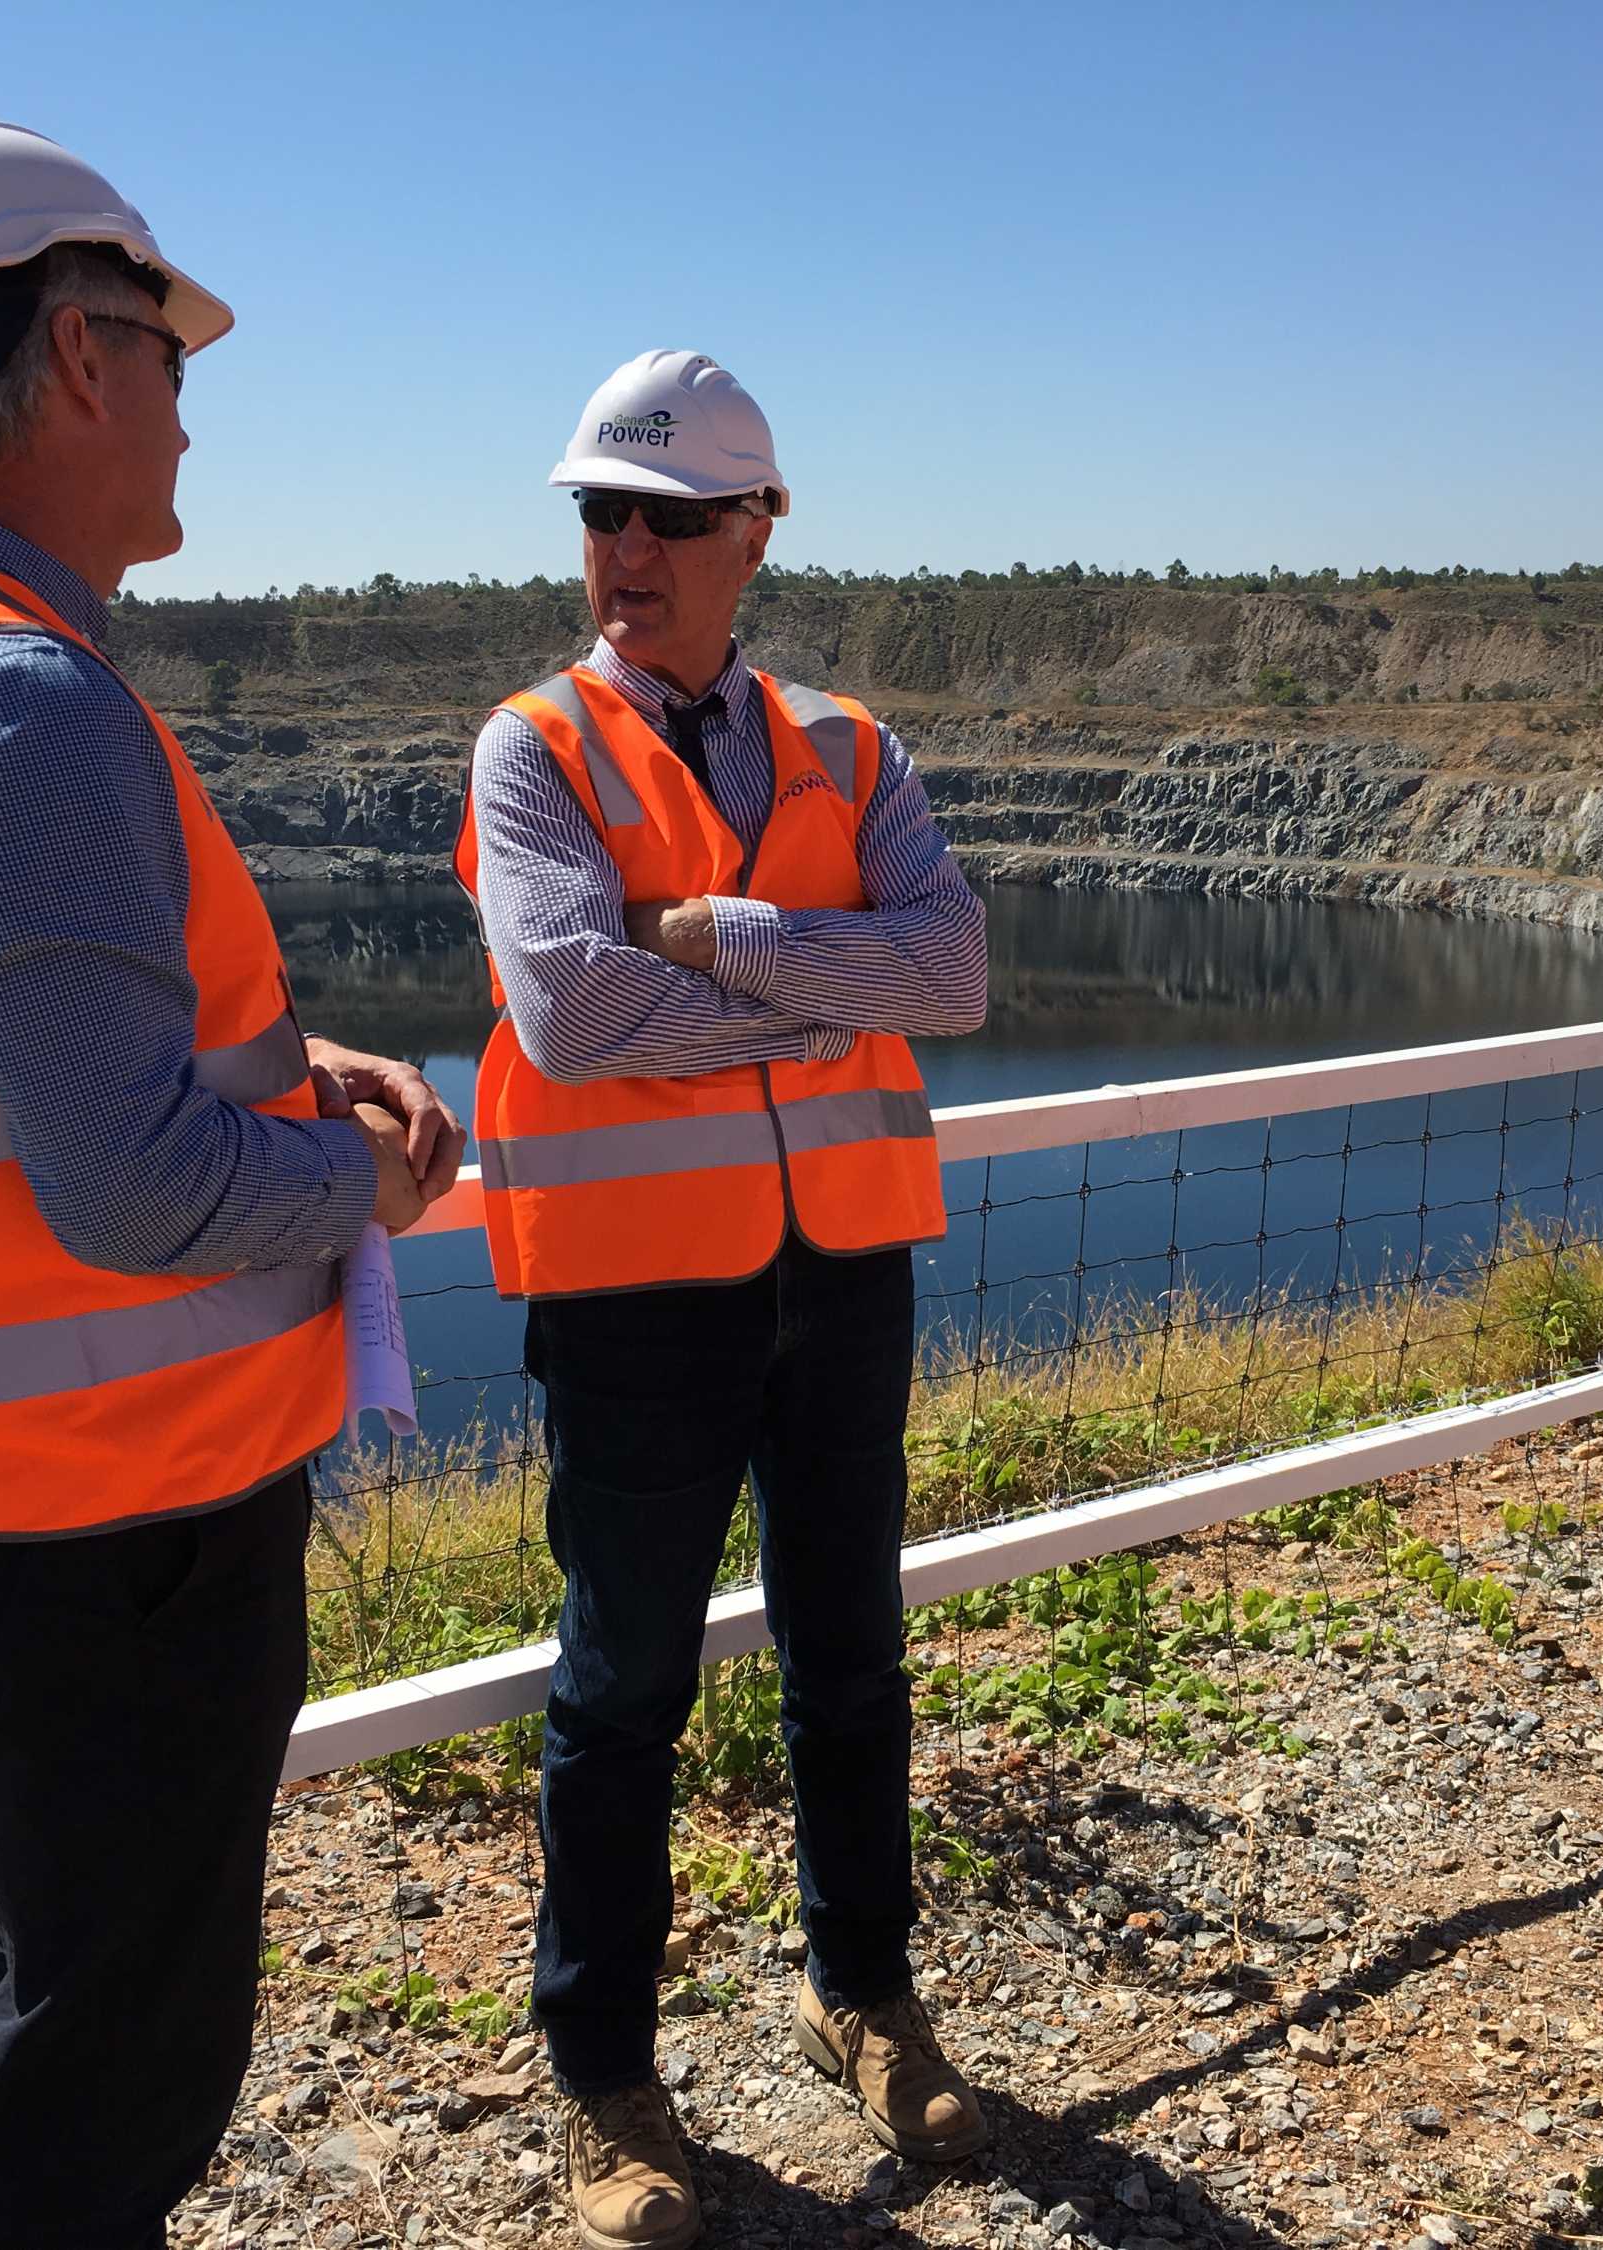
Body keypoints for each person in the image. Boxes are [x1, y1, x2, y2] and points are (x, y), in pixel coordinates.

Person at [0, 116, 463, 2248]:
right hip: (109, 1505)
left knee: (63, 1972)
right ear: (74, 356)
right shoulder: (13, 694)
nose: (182, 406)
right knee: (125, 2060)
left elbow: (40, 1058)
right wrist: (361, 1179)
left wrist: (287, 1073)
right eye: (165, 353)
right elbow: (138, 1190)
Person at [455, 350, 991, 2250]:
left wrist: (737, 939)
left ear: (760, 529)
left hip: (840, 1272)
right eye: (602, 511)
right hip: (635, 1302)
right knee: (624, 1692)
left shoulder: (848, 743)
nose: (630, 551)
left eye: (675, 517)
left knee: (853, 1654)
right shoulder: (536, 749)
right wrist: (831, 984)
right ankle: (606, 2079)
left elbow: (960, 974)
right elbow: (573, 1013)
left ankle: (870, 1995)